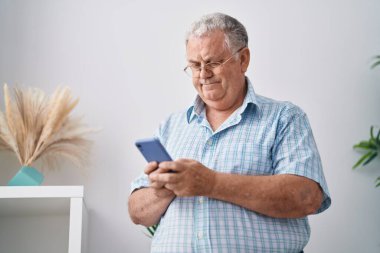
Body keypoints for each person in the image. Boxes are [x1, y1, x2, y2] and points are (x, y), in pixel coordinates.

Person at [128, 12, 331, 253]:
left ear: (243, 59)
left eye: (212, 62)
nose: (203, 74)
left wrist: (211, 183)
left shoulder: (284, 118)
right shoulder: (172, 125)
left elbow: (306, 196)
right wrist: (164, 189)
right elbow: (137, 212)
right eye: (194, 65)